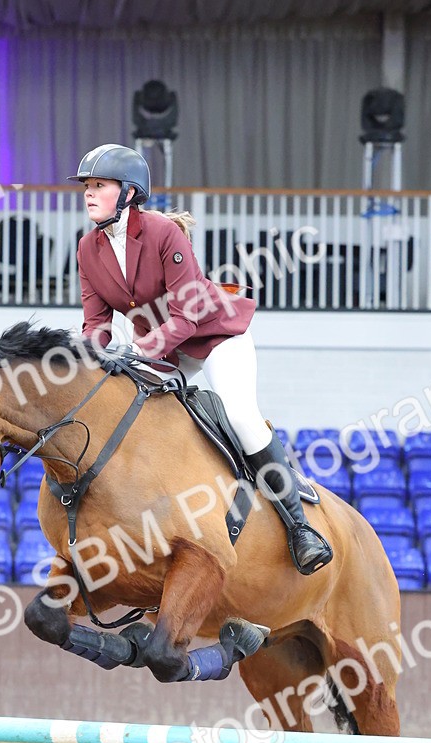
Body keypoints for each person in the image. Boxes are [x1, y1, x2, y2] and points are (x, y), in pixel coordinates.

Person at [69, 143, 332, 575]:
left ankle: (300, 527)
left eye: (99, 185)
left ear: (130, 193)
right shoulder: (87, 249)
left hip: (214, 334)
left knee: (243, 417)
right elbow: (95, 323)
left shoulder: (161, 234)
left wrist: (136, 351)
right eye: (87, 187)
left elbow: (187, 315)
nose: (89, 194)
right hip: (163, 346)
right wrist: (89, 358)